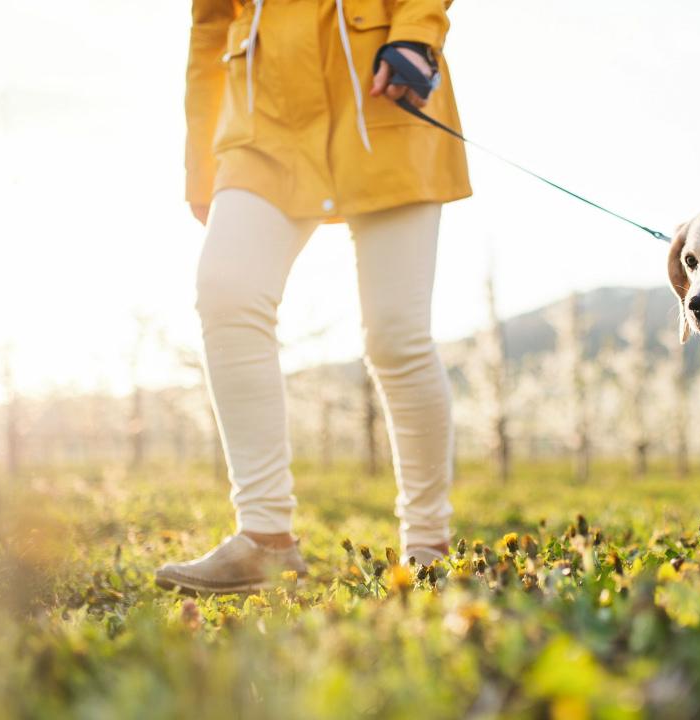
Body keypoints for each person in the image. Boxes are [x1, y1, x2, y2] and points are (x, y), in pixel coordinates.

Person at [155, 0, 470, 594]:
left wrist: (416, 35)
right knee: (226, 290)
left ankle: (428, 542)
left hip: (384, 95)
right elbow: (209, 27)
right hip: (262, 123)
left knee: (395, 334)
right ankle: (264, 538)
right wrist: (202, 167)